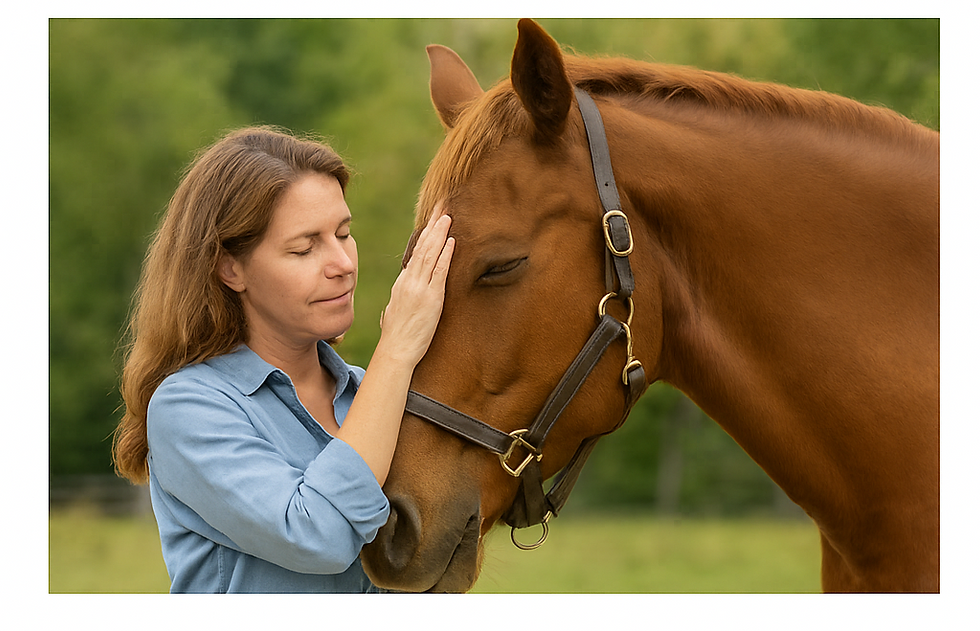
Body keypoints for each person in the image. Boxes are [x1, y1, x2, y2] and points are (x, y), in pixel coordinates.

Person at [112, 126, 455, 593]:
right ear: (230, 268)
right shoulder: (187, 407)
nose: (343, 262)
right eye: (304, 247)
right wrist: (396, 350)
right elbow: (317, 536)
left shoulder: (370, 393)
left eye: (343, 233)